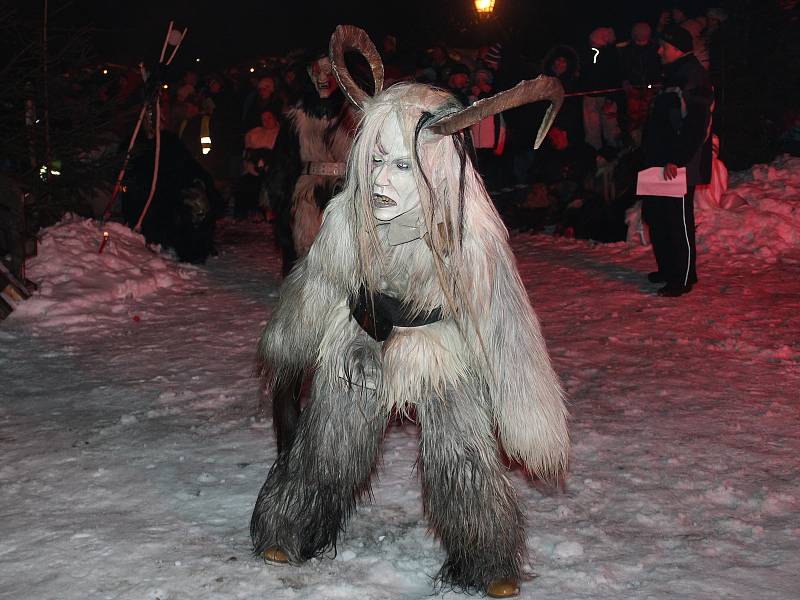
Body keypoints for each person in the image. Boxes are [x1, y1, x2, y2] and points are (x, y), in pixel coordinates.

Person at [250, 25, 569, 600]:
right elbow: (322, 278)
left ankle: (486, 555)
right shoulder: (350, 215)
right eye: (376, 162)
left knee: (463, 452)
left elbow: (505, 320)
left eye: (402, 168)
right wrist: (289, 340)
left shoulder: (470, 231)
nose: (379, 182)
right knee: (329, 440)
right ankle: (292, 525)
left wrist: (530, 413)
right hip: (361, 338)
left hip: (441, 348)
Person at [639, 25, 713, 297]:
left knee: (677, 219)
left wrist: (677, 159)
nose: (659, 51)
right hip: (660, 160)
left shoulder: (693, 76)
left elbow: (696, 124)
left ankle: (682, 276)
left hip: (679, 164)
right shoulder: (673, 75)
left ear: (677, 48)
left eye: (664, 46)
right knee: (658, 216)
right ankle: (669, 269)